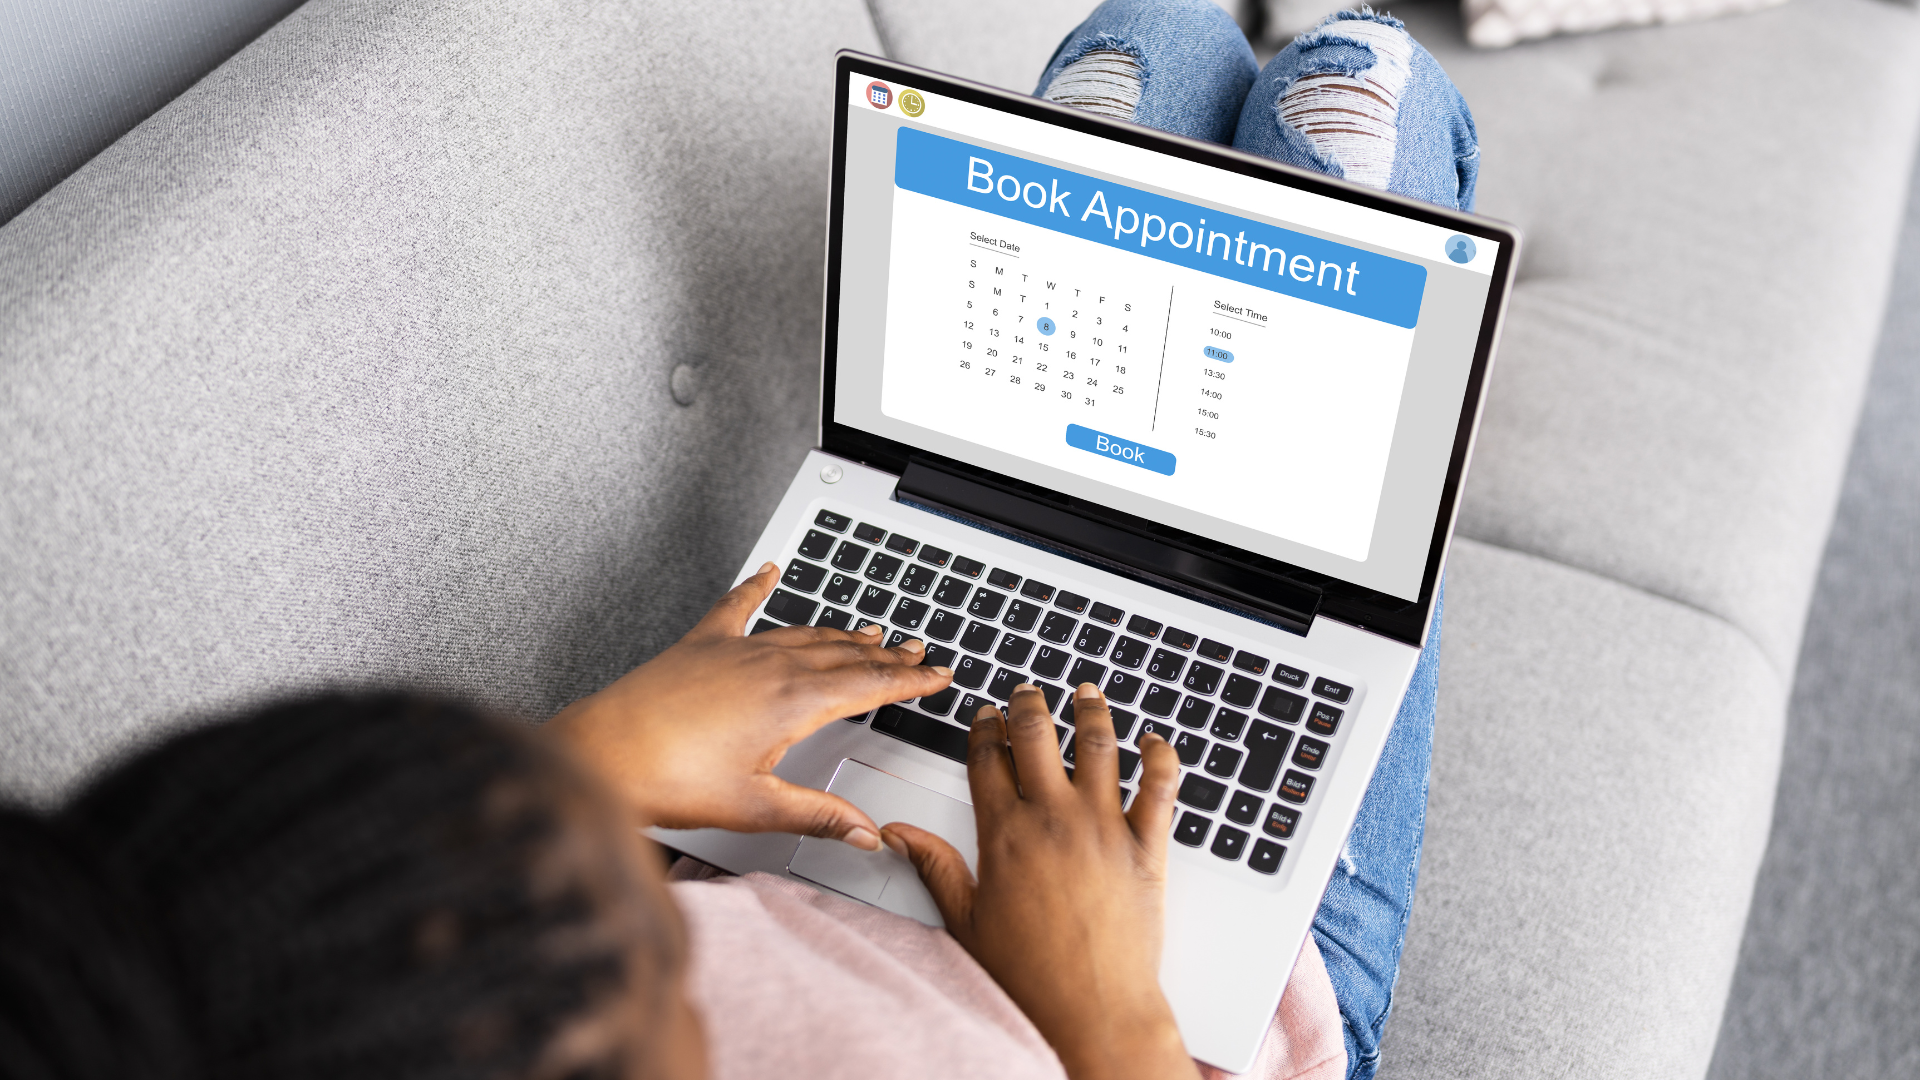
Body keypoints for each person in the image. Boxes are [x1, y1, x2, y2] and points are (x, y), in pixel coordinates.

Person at [0, 4, 1470, 1079]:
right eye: (665, 993)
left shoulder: (227, 1006)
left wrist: (578, 783)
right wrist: (1107, 1025)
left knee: (1153, 36)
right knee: (1360, 99)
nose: (664, 944)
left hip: (848, 852)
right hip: (1187, 995)